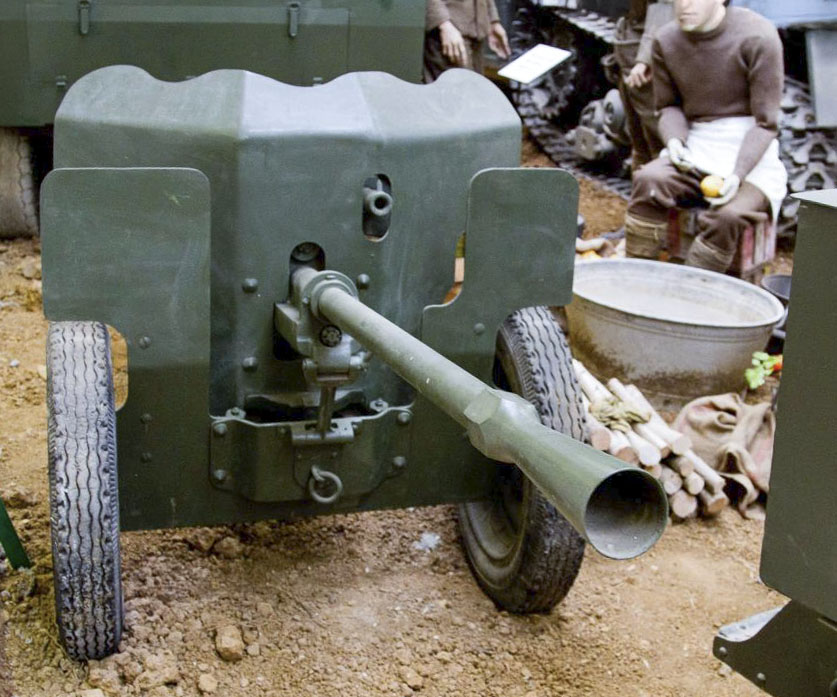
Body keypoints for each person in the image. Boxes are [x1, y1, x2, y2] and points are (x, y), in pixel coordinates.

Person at [624, 0, 787, 272]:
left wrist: (738, 174)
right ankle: (637, 273)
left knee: (728, 216)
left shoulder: (758, 35)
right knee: (648, 180)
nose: (684, 5)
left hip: (751, 152)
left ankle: (698, 287)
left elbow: (766, 124)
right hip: (698, 144)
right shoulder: (666, 40)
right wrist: (674, 140)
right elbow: (668, 106)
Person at [613, 0, 674, 170]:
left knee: (658, 141)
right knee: (640, 141)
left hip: (652, 43)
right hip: (634, 35)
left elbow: (665, 5)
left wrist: (646, 58)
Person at [423, 0, 510, 83]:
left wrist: (493, 20)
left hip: (477, 32)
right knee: (453, 93)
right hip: (447, 35)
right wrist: (443, 23)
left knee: (473, 90)